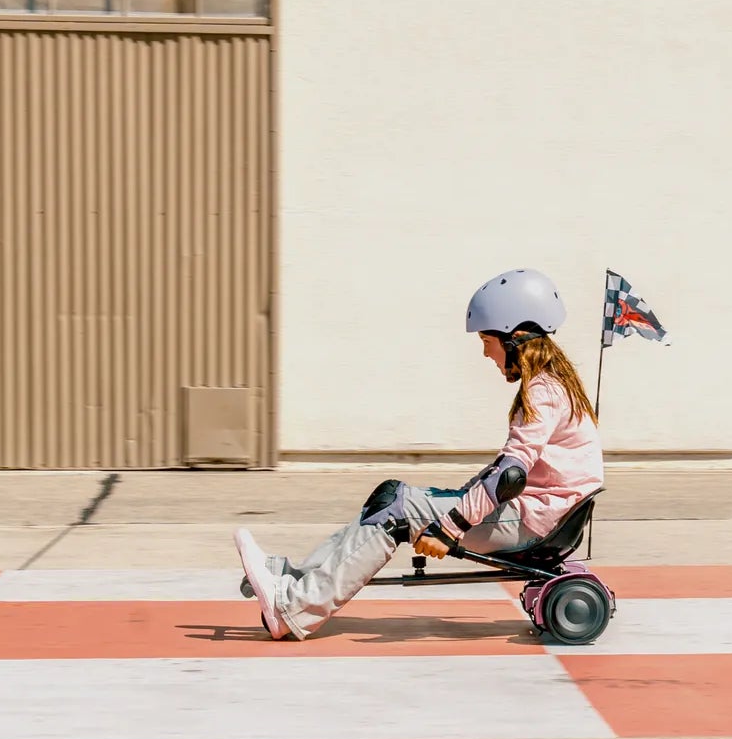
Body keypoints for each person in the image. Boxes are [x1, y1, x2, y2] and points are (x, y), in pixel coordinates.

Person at [234, 269, 605, 640]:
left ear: (514, 337)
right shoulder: (554, 385)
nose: (485, 352)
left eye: (486, 340)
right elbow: (508, 473)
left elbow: (511, 475)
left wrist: (451, 526)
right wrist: (460, 501)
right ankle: (295, 579)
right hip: (534, 518)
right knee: (392, 496)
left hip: (529, 524)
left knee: (397, 509)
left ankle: (293, 609)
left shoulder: (543, 391)